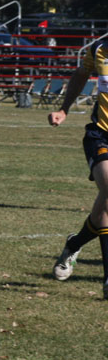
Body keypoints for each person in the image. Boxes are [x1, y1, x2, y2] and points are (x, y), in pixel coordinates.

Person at [48, 38, 108, 298]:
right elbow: (82, 74)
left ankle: (75, 243)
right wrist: (64, 109)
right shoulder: (99, 49)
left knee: (104, 205)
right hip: (101, 135)